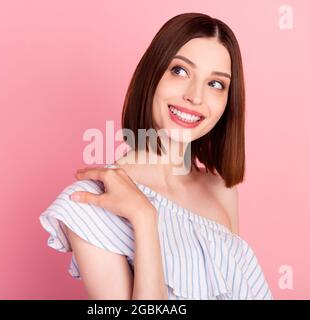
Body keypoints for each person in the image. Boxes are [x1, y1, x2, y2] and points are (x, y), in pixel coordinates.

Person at [39, 12, 273, 300]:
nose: (195, 96)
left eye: (216, 84)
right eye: (180, 71)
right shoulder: (90, 201)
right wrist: (144, 218)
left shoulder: (221, 189)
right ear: (151, 75)